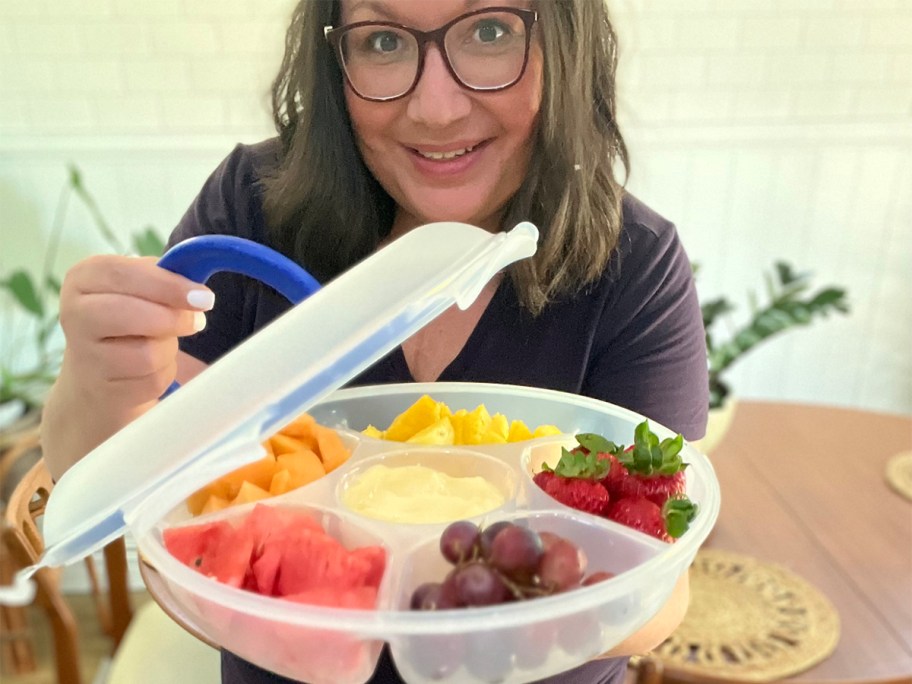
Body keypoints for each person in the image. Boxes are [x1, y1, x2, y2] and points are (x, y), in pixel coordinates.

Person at [42, 1, 708, 682]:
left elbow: (665, 591)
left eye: (490, 32)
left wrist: (490, 622)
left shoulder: (634, 262)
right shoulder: (253, 205)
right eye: (383, 40)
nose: (437, 107)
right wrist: (101, 382)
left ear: (566, 44)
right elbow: (137, 500)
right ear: (335, 59)